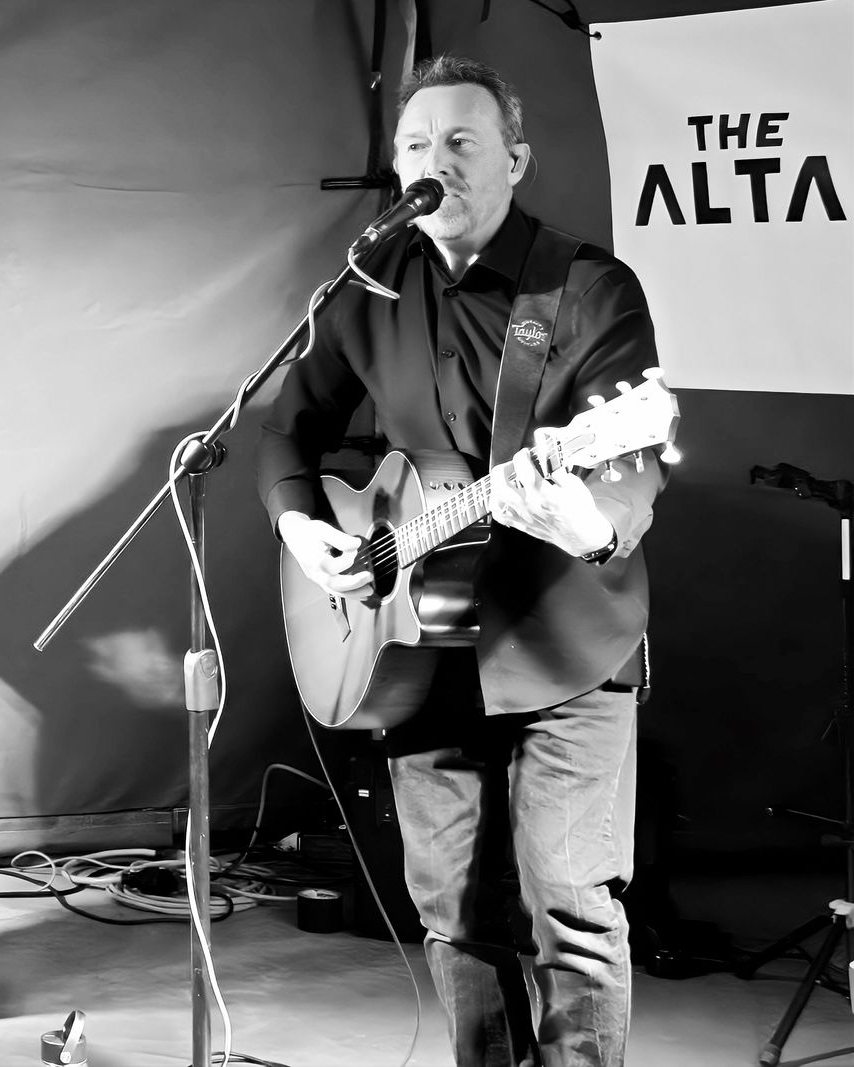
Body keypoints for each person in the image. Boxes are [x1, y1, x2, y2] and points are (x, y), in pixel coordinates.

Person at [256, 56, 665, 1066]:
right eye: (414, 145)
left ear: (514, 160)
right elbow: (283, 433)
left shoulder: (585, 287)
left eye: (459, 142)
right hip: (418, 656)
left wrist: (582, 518)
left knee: (571, 909)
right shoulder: (366, 289)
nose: (432, 162)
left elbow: (632, 467)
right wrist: (305, 530)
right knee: (453, 914)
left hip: (567, 647)